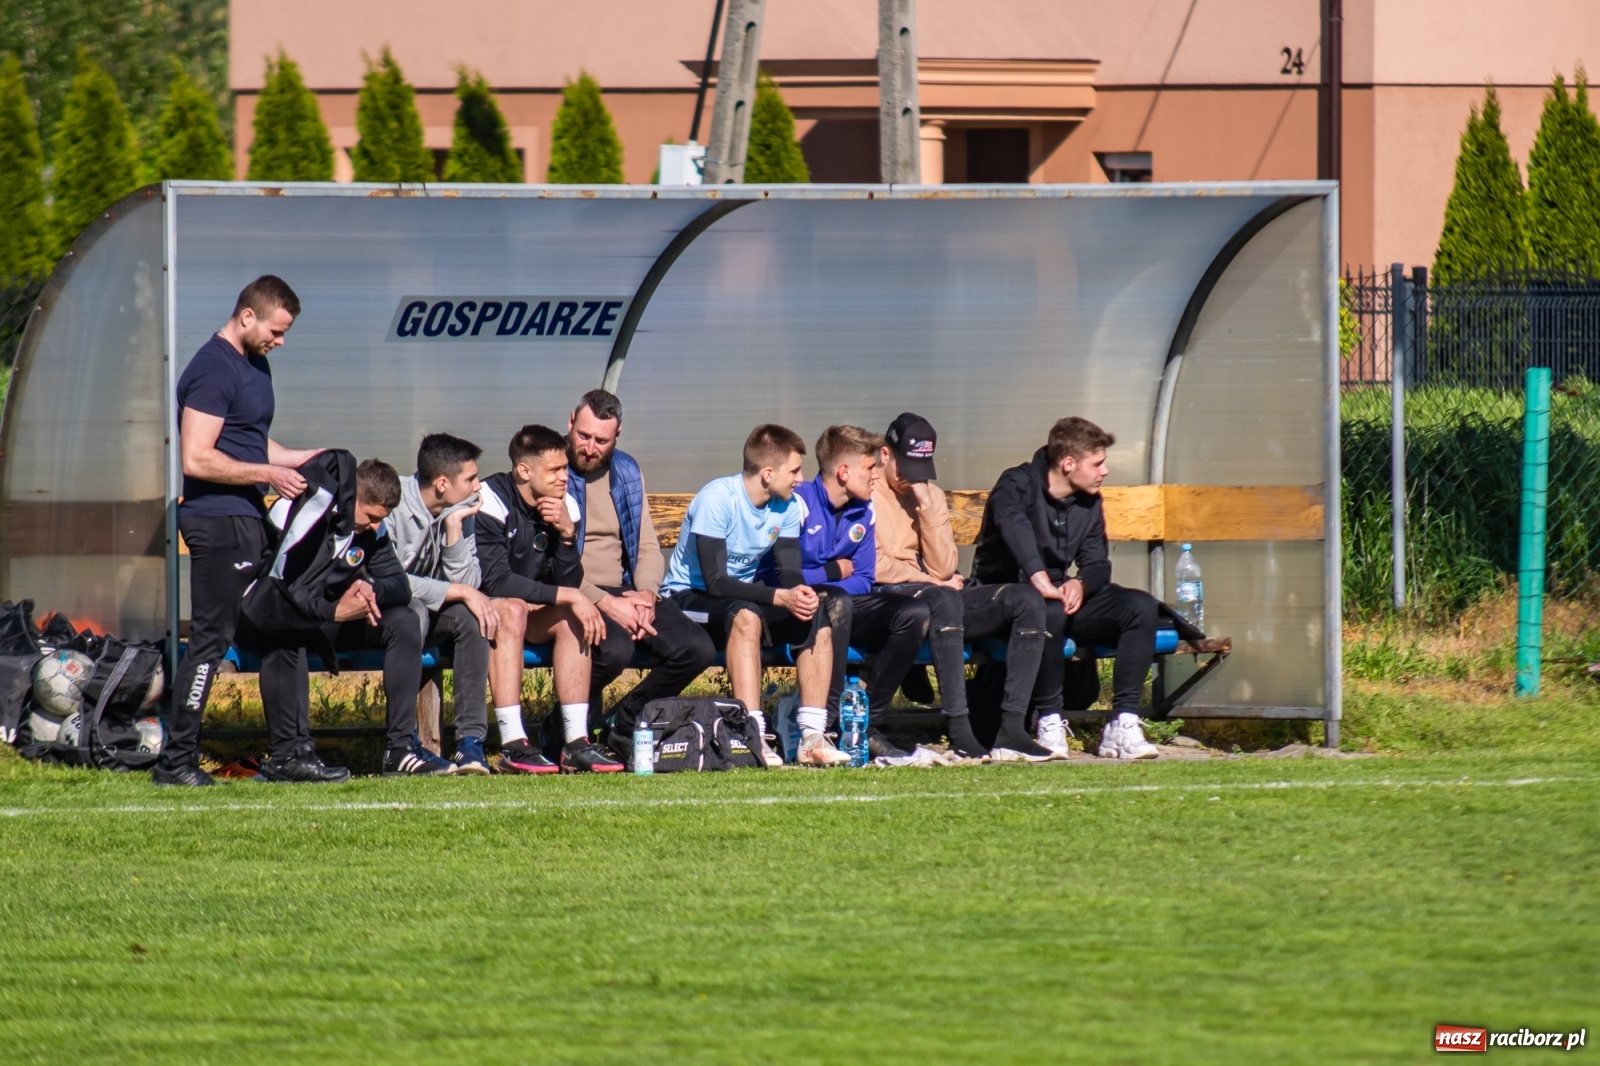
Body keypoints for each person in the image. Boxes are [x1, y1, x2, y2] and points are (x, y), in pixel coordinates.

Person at [161, 275, 323, 787]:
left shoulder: (257, 365)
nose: (280, 340)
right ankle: (176, 761)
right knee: (211, 641)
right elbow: (198, 457)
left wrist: (304, 460)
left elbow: (253, 442)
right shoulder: (212, 369)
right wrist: (268, 476)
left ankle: (291, 753)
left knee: (283, 627)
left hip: (250, 518)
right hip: (217, 521)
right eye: (276, 330)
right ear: (248, 316)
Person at [247, 456, 454, 780]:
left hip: (324, 619)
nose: (374, 527)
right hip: (270, 618)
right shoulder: (300, 513)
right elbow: (276, 594)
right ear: (352, 498)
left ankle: (399, 750)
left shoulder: (372, 528)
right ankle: (293, 755)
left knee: (403, 620)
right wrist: (333, 610)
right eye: (371, 516)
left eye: (380, 520)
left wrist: (367, 586)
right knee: (287, 636)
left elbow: (399, 585)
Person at [970, 416, 1161, 760]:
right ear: (1069, 463)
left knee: (1140, 607)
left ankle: (1123, 723)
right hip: (1002, 600)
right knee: (1046, 609)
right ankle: (1049, 719)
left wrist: (1081, 583)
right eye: (1098, 463)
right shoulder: (1016, 483)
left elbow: (1098, 562)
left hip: (1058, 599)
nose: (1105, 471)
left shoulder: (1089, 502)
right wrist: (1038, 576)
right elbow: (1014, 526)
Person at [872, 412, 1059, 761]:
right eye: (905, 467)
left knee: (1026, 601)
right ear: (885, 455)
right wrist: (928, 579)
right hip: (891, 600)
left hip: (938, 597)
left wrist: (926, 506)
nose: (912, 478)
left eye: (920, 468)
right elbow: (874, 566)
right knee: (943, 596)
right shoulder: (865, 492)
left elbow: (944, 566)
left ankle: (1012, 731)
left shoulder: (929, 495)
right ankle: (959, 730)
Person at [660, 424, 845, 768]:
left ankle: (813, 737)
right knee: (746, 616)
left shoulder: (788, 506)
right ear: (768, 473)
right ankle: (752, 735)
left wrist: (799, 594)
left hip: (742, 601)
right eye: (794, 470)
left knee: (816, 613)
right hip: (688, 600)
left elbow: (790, 574)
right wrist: (779, 597)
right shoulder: (718, 498)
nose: (801, 479)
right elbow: (716, 582)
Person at [564, 390, 717, 752]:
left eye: (601, 440)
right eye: (583, 436)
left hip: (628, 591)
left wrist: (647, 595)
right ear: (570, 422)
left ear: (616, 437)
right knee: (614, 650)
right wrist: (604, 602)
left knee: (696, 648)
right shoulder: (553, 471)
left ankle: (625, 720)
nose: (590, 447)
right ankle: (565, 726)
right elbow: (553, 565)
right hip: (575, 591)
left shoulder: (628, 471)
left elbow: (648, 546)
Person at [388, 433, 547, 775]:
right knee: (413, 613)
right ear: (442, 483)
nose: (479, 486)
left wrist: (454, 529)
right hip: (393, 611)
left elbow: (470, 582)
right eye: (471, 478)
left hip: (435, 609)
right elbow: (391, 581)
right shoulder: (393, 504)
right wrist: (460, 593)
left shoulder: (462, 508)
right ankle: (403, 743)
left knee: (475, 616)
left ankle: (469, 743)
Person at [476, 424, 623, 773]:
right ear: (524, 471)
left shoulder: (565, 505)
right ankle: (513, 745)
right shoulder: (490, 498)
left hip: (533, 610)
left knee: (571, 616)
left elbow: (567, 579)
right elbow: (496, 581)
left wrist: (568, 537)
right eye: (555, 470)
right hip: (484, 613)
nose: (564, 478)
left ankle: (576, 742)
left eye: (564, 469)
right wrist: (568, 595)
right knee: (512, 608)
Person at [772, 425, 925, 761]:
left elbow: (864, 579)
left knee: (913, 613)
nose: (876, 475)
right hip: (797, 610)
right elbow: (783, 576)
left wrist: (822, 581)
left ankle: (868, 723)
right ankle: (825, 725)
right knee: (838, 602)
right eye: (870, 468)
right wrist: (832, 572)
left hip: (844, 604)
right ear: (844, 472)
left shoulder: (863, 510)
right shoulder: (797, 504)